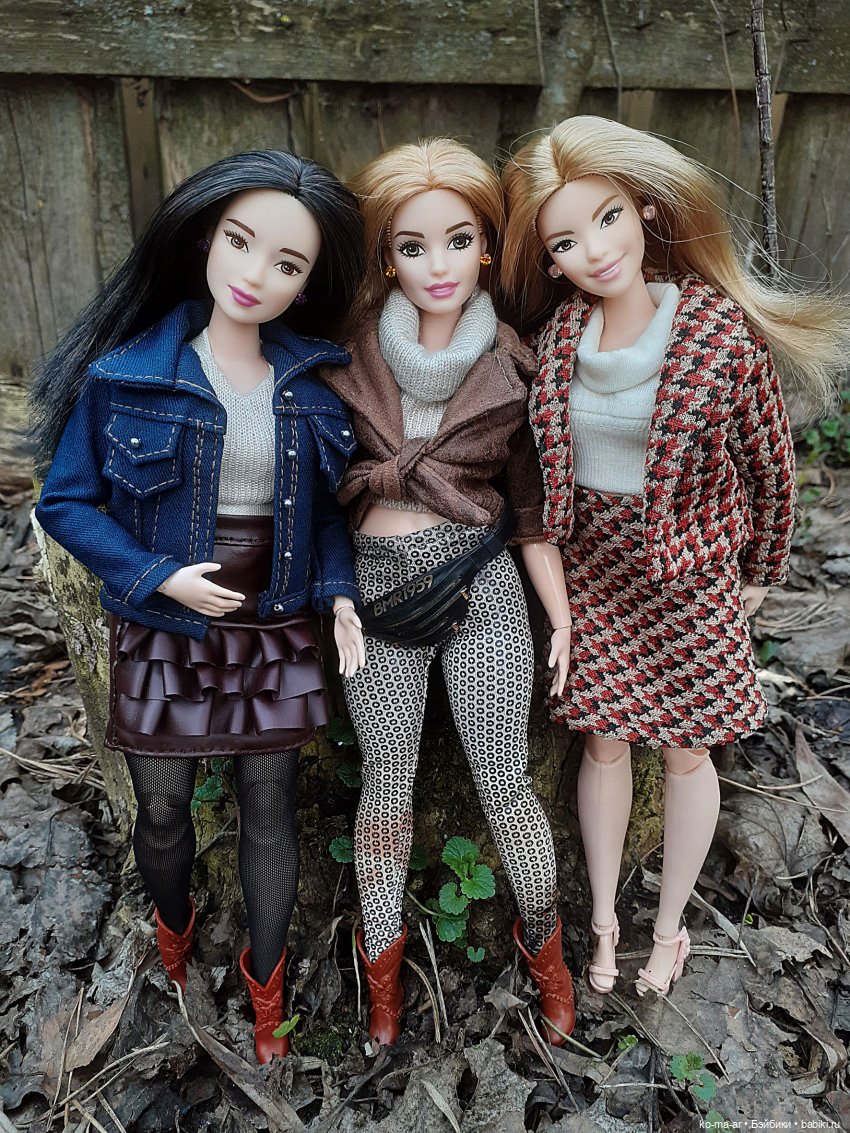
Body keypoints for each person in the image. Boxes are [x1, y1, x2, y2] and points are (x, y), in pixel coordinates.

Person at [32, 150, 367, 1062]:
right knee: (163, 809)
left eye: (286, 263)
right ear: (204, 238)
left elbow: (323, 514)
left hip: (276, 617)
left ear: (307, 284)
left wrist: (337, 592)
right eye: (240, 242)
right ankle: (173, 935)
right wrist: (157, 575)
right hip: (166, 620)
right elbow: (65, 502)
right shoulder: (128, 376)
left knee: (271, 808)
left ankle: (268, 991)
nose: (255, 274)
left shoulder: (311, 388)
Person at [500, 115, 846, 997]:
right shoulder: (558, 342)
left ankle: (669, 929)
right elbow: (540, 473)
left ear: (646, 209)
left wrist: (759, 569)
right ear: (551, 262)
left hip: (688, 574)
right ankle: (605, 922)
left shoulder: (717, 336)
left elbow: (770, 466)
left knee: (690, 751)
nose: (594, 251)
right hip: (594, 572)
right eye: (566, 242)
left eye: (607, 218)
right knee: (603, 744)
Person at [320, 138, 576, 1047]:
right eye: (414, 245)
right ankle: (383, 978)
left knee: (504, 779)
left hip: (480, 583)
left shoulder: (513, 362)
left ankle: (547, 953)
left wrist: (559, 616)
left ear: (487, 248)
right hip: (376, 599)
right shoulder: (346, 356)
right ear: (387, 256)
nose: (439, 264)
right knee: (385, 784)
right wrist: (336, 590)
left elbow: (531, 509)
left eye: (459, 240)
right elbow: (318, 486)